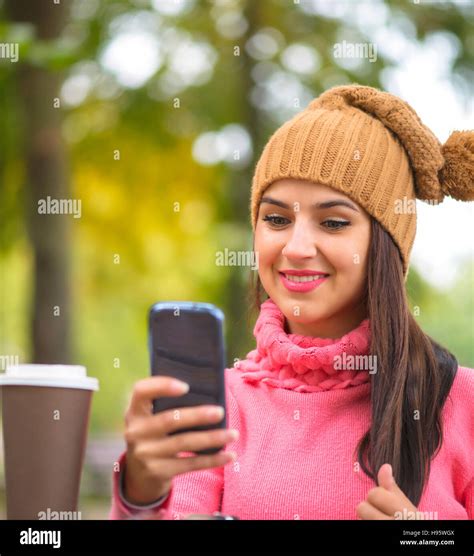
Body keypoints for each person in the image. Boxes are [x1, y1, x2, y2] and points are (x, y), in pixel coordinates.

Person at [109, 84, 474, 520]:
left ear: (385, 246)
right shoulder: (215, 404)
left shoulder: (460, 400)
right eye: (277, 219)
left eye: (333, 222)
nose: (297, 247)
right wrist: (142, 494)